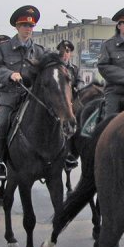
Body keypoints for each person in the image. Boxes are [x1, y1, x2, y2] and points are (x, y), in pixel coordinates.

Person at [0, 5, 48, 180]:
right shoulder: (4, 48)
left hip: (31, 96)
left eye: (30, 26)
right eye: (24, 25)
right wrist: (9, 74)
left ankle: (57, 158)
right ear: (17, 27)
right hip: (10, 94)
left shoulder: (39, 50)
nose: (28, 29)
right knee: (3, 122)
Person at [57, 39, 82, 171]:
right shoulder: (55, 68)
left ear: (70, 53)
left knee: (80, 119)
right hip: (58, 102)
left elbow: (80, 81)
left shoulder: (74, 69)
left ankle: (73, 152)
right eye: (62, 51)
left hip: (72, 102)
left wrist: (78, 87)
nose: (65, 54)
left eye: (67, 52)